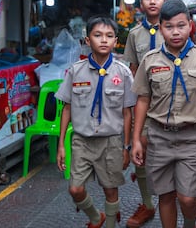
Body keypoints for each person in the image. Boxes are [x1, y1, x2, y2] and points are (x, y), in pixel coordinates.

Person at [131, 0, 196, 228]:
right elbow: (143, 99)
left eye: (181, 25)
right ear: (160, 27)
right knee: (165, 195)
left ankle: (190, 223)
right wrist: (136, 139)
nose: (175, 32)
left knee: (187, 197)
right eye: (169, 26)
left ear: (191, 25)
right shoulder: (150, 60)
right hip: (159, 137)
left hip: (192, 136)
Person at [55, 15, 137, 228]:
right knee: (75, 189)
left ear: (115, 41)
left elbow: (128, 113)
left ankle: (109, 223)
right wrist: (61, 143)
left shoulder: (123, 73)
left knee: (111, 190)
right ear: (87, 40)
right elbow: (67, 108)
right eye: (97, 35)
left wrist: (126, 146)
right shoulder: (76, 71)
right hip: (81, 140)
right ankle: (95, 216)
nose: (103, 40)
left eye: (109, 36)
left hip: (110, 142)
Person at [123, 0, 166, 227]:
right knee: (140, 148)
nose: (152, 1)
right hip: (144, 102)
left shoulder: (173, 29)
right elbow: (133, 70)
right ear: (141, 4)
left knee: (168, 151)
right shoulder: (134, 34)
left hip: (169, 102)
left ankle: (170, 195)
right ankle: (148, 203)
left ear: (164, 1)